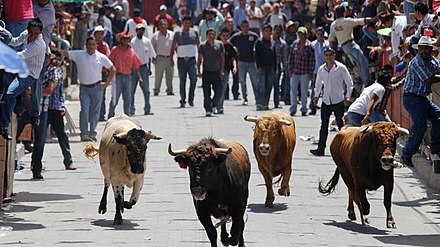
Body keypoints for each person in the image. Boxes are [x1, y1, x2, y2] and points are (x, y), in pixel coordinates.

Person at [0, 18, 46, 140]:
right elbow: (15, 42)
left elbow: (20, 56)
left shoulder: (39, 45)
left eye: (36, 33)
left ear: (40, 33)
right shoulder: (26, 34)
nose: (33, 36)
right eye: (31, 32)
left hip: (29, 74)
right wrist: (3, 34)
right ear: (27, 30)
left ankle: (4, 125)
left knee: (10, 94)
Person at [62, 37, 116, 142]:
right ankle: (84, 133)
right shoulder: (80, 55)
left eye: (93, 44)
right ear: (86, 45)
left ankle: (92, 132)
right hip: (84, 88)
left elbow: (113, 69)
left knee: (95, 111)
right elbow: (65, 53)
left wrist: (107, 83)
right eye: (89, 44)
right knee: (85, 111)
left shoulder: (101, 57)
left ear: (96, 46)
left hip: (97, 87)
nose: (91, 46)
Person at [400, 36, 440, 167]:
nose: (422, 50)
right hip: (412, 98)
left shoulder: (433, 61)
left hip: (421, 98)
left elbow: (437, 70)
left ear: (430, 49)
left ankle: (435, 149)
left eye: (425, 48)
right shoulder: (416, 62)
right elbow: (429, 79)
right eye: (421, 48)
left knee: (438, 117)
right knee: (420, 126)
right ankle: (407, 153)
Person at [310, 47, 353, 156]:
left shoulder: (341, 68)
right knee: (323, 125)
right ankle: (320, 149)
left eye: (331, 55)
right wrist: (316, 96)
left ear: (334, 55)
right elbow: (318, 84)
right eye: (327, 55)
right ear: (324, 56)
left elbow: (349, 83)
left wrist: (347, 96)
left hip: (338, 100)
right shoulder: (321, 69)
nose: (329, 58)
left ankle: (343, 149)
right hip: (326, 100)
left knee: (341, 126)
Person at [328, 5, 372, 86]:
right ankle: (366, 82)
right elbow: (359, 21)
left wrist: (329, 50)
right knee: (363, 61)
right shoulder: (346, 21)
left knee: (359, 63)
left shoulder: (333, 24)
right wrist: (372, 19)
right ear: (343, 12)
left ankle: (364, 81)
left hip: (344, 47)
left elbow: (331, 39)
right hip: (351, 44)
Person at [47, 51, 75, 171]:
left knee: (62, 136)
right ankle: (37, 165)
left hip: (57, 108)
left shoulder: (59, 71)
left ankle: (68, 161)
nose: (57, 61)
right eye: (55, 59)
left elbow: (60, 92)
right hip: (45, 109)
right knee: (40, 137)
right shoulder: (46, 71)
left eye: (59, 59)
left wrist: (62, 106)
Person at [108, 32, 142, 118]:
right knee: (115, 98)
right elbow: (109, 63)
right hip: (118, 76)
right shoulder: (115, 50)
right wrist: (110, 76)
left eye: (127, 39)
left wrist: (140, 77)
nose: (126, 41)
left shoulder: (132, 51)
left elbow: (136, 66)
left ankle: (127, 116)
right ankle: (111, 115)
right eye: (124, 39)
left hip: (128, 77)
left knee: (128, 98)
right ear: (121, 40)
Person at [171, 16, 199, 108]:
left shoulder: (194, 33)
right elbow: (173, 45)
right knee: (182, 81)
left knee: (194, 79)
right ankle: (183, 99)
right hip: (182, 60)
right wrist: (171, 57)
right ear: (182, 23)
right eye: (185, 23)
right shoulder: (178, 33)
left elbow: (198, 45)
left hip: (192, 60)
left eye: (188, 23)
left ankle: (191, 98)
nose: (187, 25)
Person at [229, 20, 259, 106]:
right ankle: (244, 98)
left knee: (254, 81)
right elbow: (229, 44)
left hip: (252, 61)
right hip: (241, 61)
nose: (245, 28)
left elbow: (259, 44)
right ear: (241, 27)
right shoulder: (236, 36)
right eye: (243, 26)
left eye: (247, 26)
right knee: (242, 81)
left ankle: (257, 98)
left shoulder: (253, 36)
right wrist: (234, 51)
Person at [287, 26, 315, 116]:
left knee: (304, 91)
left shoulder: (310, 46)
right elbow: (291, 57)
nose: (301, 36)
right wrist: (290, 69)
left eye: (302, 34)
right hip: (295, 71)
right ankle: (293, 109)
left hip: (305, 72)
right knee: (293, 91)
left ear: (306, 35)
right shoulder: (295, 44)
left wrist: (311, 72)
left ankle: (304, 109)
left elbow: (312, 60)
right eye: (299, 34)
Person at [197, 28, 225, 117]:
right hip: (207, 71)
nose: (211, 36)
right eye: (210, 34)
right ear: (207, 35)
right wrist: (199, 70)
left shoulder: (219, 44)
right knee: (206, 92)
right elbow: (200, 59)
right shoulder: (202, 45)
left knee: (219, 91)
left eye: (213, 34)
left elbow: (222, 58)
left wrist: (222, 70)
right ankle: (208, 109)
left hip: (216, 71)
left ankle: (213, 104)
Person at [130, 23, 156, 116]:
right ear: (136, 31)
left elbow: (149, 55)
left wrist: (149, 68)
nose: (141, 31)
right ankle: (131, 109)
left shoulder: (147, 41)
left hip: (144, 67)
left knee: (146, 90)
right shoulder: (132, 42)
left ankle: (147, 109)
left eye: (142, 29)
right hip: (134, 68)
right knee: (131, 90)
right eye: (139, 29)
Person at [255, 24, 276, 111]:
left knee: (268, 86)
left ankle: (265, 104)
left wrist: (276, 69)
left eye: (269, 31)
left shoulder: (273, 43)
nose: (268, 33)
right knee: (261, 87)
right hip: (262, 67)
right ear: (263, 32)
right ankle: (259, 103)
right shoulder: (259, 42)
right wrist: (258, 66)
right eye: (266, 31)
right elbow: (257, 55)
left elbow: (275, 57)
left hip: (270, 67)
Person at [151, 19, 175, 96]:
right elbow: (152, 47)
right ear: (159, 26)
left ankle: (169, 90)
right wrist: (153, 57)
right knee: (158, 76)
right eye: (162, 25)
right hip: (160, 57)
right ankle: (156, 90)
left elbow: (175, 46)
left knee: (170, 75)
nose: (163, 26)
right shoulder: (155, 35)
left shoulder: (172, 34)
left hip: (169, 57)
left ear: (168, 25)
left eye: (165, 24)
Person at [217, 28, 237, 114]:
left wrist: (234, 67)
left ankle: (220, 106)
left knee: (223, 88)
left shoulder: (230, 46)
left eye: (227, 36)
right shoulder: (216, 45)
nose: (225, 37)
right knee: (216, 88)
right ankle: (214, 104)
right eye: (223, 36)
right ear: (220, 36)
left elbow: (233, 58)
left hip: (225, 70)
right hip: (215, 70)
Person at [93, 26, 111, 122]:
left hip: (103, 73)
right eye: (98, 34)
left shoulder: (105, 45)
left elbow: (109, 58)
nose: (99, 36)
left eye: (101, 34)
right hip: (93, 72)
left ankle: (101, 115)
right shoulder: (91, 45)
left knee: (102, 95)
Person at [310, 26, 329, 115]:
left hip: (326, 70)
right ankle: (312, 107)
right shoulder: (312, 45)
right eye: (318, 34)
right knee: (314, 89)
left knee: (326, 90)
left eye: (321, 34)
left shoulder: (327, 45)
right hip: (315, 70)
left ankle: (326, 107)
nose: (320, 36)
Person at [272, 24, 288, 109]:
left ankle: (276, 102)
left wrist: (284, 68)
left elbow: (284, 57)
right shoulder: (269, 41)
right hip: (269, 64)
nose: (277, 32)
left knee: (276, 85)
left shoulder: (283, 44)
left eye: (279, 30)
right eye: (276, 30)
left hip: (277, 65)